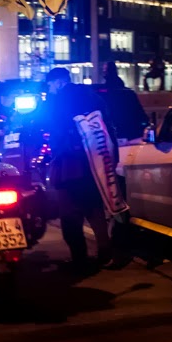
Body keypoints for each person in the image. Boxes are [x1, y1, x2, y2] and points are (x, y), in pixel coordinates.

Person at [45, 66, 130, 271]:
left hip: (69, 164)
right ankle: (105, 253)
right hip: (97, 162)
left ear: (58, 82)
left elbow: (50, 129)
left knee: (69, 213)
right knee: (94, 209)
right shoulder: (93, 96)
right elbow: (108, 125)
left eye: (50, 85)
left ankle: (80, 259)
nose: (50, 90)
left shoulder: (57, 102)